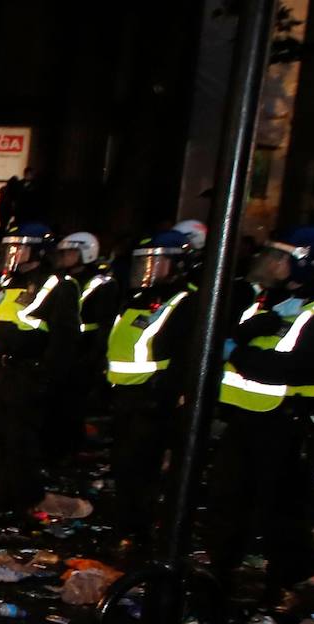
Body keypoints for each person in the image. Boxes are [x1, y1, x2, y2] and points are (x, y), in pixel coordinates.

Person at [208, 227, 314, 607]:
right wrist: (242, 334)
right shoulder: (270, 303)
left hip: (288, 423)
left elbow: (301, 368)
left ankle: (290, 585)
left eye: (281, 258)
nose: (271, 264)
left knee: (280, 510)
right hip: (246, 419)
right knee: (227, 501)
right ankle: (219, 576)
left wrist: (238, 352)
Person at [105, 230, 197, 545]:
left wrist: (166, 394)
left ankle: (141, 529)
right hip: (125, 394)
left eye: (157, 263)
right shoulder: (137, 298)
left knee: (142, 467)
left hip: (153, 397)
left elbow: (185, 354)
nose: (149, 270)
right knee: (123, 464)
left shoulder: (185, 301)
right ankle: (125, 523)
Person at [0, 222, 80, 513]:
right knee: (0, 437)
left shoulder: (58, 284)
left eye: (19, 247)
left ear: (37, 250)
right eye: (9, 247)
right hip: (1, 370)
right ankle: (5, 494)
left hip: (28, 372)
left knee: (21, 441)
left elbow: (64, 338)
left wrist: (45, 377)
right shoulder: (6, 281)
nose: (12, 253)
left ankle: (25, 498)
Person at [47, 230, 119, 460]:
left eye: (70, 253)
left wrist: (94, 357)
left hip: (84, 350)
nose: (65, 257)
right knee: (56, 403)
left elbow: (105, 322)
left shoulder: (101, 284)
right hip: (62, 348)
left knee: (73, 405)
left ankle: (68, 449)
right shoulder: (60, 281)